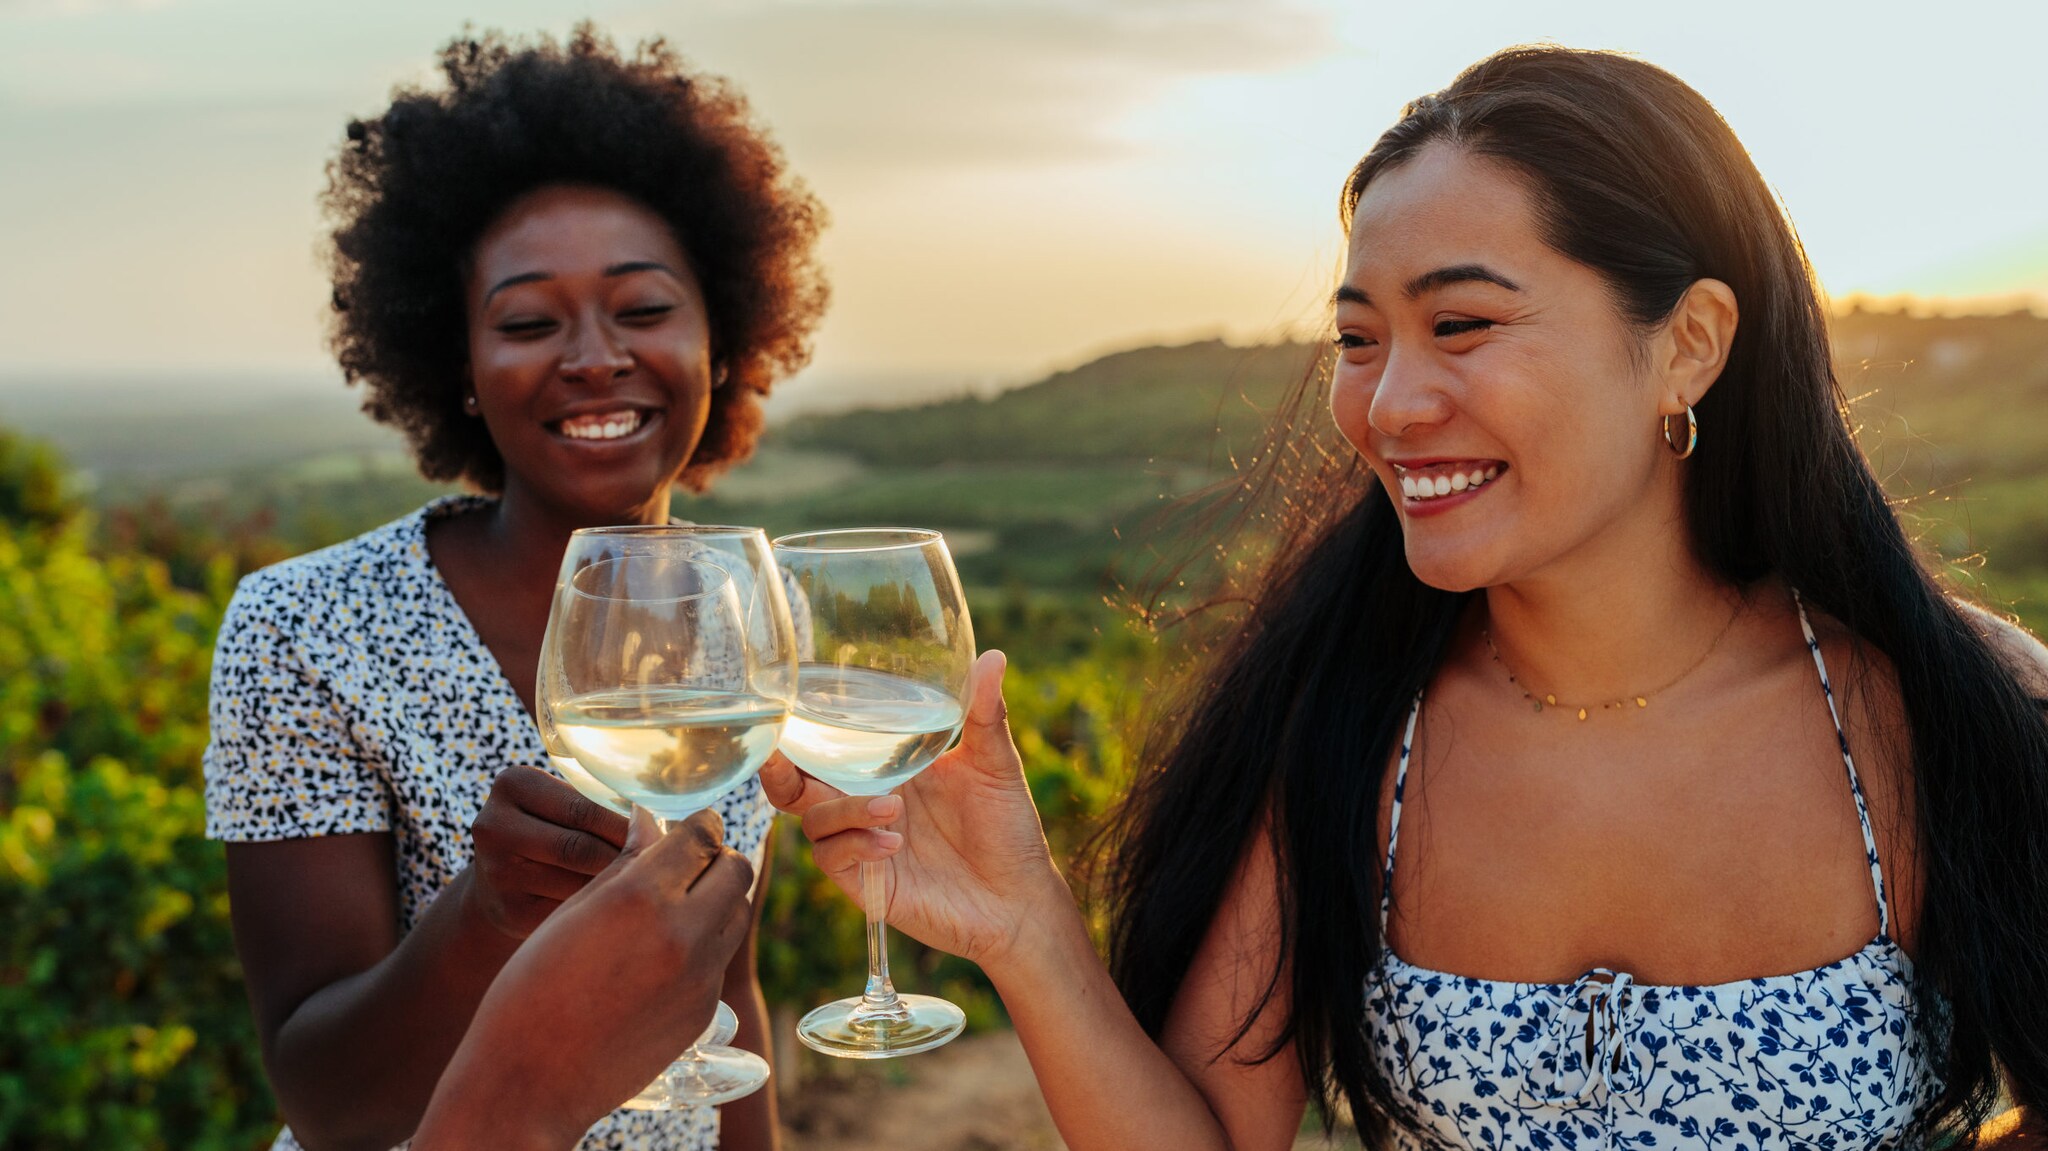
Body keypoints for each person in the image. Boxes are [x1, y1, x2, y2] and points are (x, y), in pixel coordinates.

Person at [764, 47, 2048, 1150]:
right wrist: (1021, 926)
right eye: (1360, 338)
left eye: (1464, 325)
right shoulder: (1343, 725)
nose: (1386, 408)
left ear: (1689, 345)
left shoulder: (1942, 709)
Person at [203, 25, 825, 1151]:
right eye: (530, 322)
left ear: (723, 340)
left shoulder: (737, 609)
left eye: (642, 309)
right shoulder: (301, 629)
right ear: (462, 374)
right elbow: (328, 1101)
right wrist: (485, 917)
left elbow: (727, 1001)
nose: (593, 356)